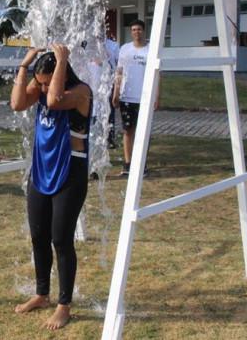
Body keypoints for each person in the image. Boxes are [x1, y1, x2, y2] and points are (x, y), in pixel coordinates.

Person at [10, 44, 92, 331]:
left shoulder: (81, 91)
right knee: (38, 235)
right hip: (41, 171)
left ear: (61, 73)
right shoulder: (44, 86)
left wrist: (63, 59)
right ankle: (42, 294)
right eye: (40, 84)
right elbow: (17, 103)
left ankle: (63, 305)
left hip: (70, 173)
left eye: (46, 83)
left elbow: (56, 100)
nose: (43, 91)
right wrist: (24, 67)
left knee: (61, 239)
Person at [111, 19, 158, 176]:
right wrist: (116, 93)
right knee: (128, 131)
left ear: (144, 31)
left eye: (139, 29)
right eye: (133, 30)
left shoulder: (151, 50)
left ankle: (142, 164)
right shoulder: (125, 49)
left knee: (143, 133)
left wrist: (156, 96)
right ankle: (128, 163)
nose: (136, 32)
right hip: (127, 97)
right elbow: (119, 72)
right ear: (130, 32)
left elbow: (158, 75)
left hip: (144, 98)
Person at [104, 27, 119, 149]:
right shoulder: (88, 44)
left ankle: (109, 138)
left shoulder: (113, 46)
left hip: (108, 83)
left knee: (109, 112)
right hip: (92, 83)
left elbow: (118, 65)